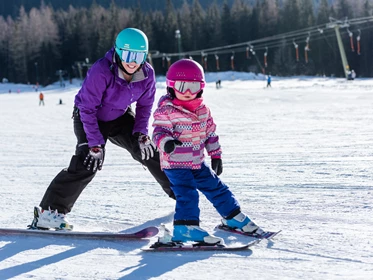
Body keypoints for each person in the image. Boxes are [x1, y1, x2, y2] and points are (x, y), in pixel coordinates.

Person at [30, 27, 175, 231]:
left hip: (119, 116)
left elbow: (144, 107)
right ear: (117, 51)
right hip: (89, 117)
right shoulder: (102, 70)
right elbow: (87, 108)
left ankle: (180, 193)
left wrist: (141, 134)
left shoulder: (147, 75)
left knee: (147, 150)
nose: (132, 61)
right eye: (127, 54)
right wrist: (95, 144)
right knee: (88, 161)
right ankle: (48, 213)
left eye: (138, 56)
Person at [152, 59, 265, 244]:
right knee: (187, 193)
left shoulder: (203, 111)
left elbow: (210, 133)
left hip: (197, 162)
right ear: (172, 87)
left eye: (193, 86)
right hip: (175, 164)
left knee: (216, 187)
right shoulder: (166, 111)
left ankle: (232, 216)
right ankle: (184, 228)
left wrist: (216, 154)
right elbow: (158, 131)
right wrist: (166, 142)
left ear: (201, 87)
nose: (188, 92)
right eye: (182, 86)